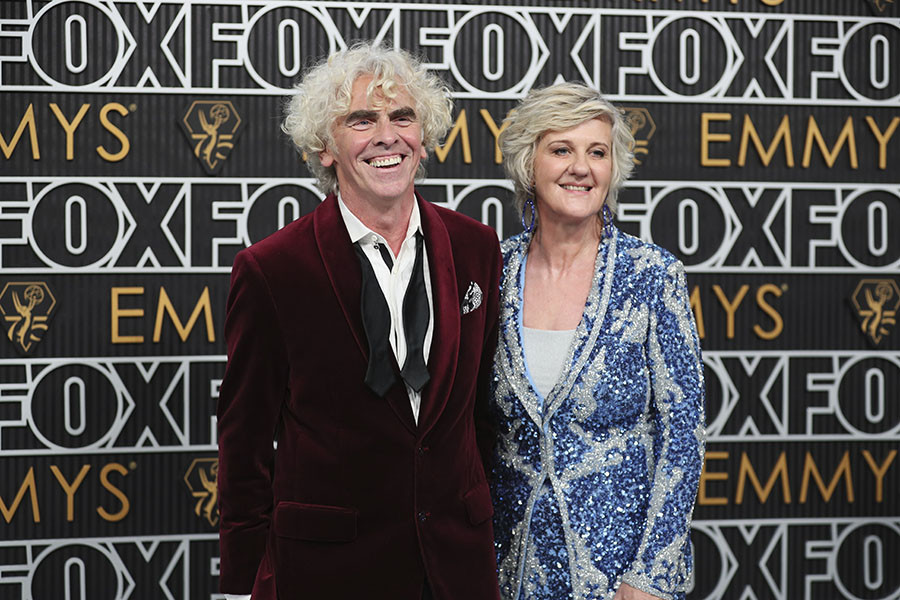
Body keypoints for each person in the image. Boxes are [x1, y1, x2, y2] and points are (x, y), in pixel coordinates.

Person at [216, 43, 502, 600]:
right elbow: (243, 442)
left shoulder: (477, 247)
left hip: (457, 567)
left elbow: (483, 413)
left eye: (402, 116)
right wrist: (242, 581)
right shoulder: (273, 269)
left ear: (425, 136)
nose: (386, 136)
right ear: (325, 146)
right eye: (361, 120)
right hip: (328, 572)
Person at [489, 83, 706, 600]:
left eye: (597, 152)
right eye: (561, 149)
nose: (581, 168)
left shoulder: (652, 275)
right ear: (528, 163)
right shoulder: (491, 270)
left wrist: (649, 573)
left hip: (619, 574)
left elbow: (683, 434)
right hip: (505, 567)